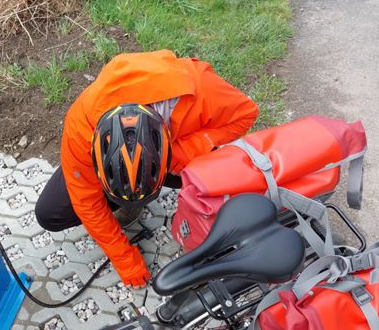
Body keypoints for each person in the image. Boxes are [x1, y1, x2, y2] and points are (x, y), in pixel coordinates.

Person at [35, 49, 258, 288]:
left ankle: (221, 223)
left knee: (224, 179)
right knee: (50, 213)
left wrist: (183, 152)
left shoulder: (200, 89)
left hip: (178, 151)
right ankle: (128, 196)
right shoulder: (81, 130)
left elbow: (246, 114)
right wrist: (124, 258)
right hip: (141, 152)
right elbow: (86, 202)